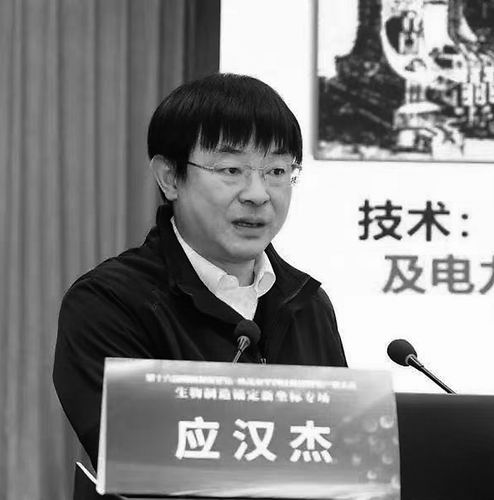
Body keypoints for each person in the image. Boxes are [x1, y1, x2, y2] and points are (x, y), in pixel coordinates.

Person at [53, 73, 347, 470]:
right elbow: (143, 464)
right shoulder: (109, 303)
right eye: (231, 169)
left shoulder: (308, 304)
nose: (257, 194)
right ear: (170, 177)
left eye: (277, 171)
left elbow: (337, 459)